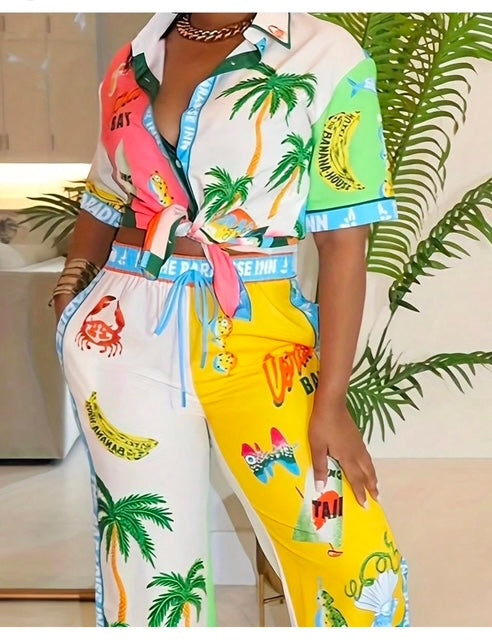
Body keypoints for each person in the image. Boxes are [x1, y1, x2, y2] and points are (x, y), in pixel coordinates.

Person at [52, 12, 410, 628]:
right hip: (123, 330)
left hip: (260, 333)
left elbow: (344, 244)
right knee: (149, 565)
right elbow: (104, 194)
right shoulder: (133, 59)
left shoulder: (325, 54)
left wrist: (331, 400)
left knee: (349, 555)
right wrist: (68, 292)